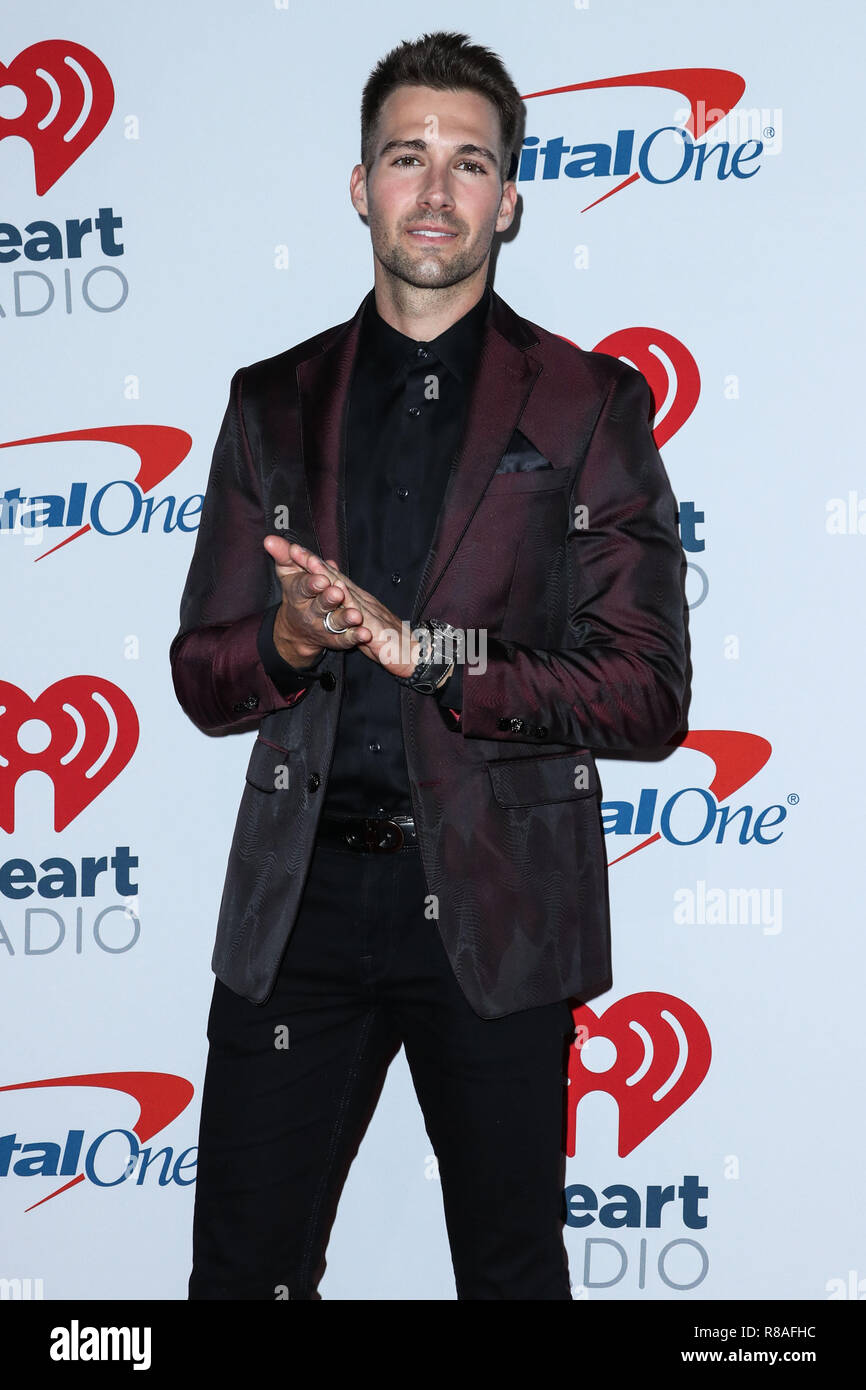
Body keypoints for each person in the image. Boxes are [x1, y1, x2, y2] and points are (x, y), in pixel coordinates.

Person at [170, 29, 688, 1301]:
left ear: (509, 197)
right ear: (360, 187)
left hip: (498, 907)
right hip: (295, 914)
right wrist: (289, 644)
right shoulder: (268, 401)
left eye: (470, 162)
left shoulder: (586, 405)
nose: (437, 189)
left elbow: (645, 694)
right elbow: (200, 675)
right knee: (242, 1276)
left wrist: (437, 660)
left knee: (511, 1279)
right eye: (407, 156)